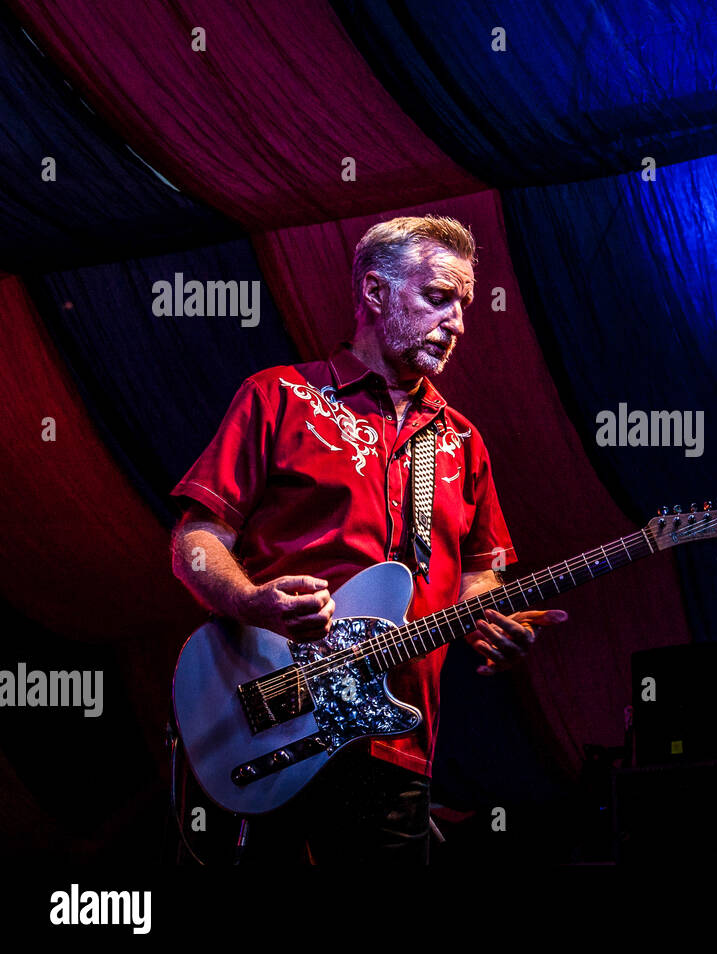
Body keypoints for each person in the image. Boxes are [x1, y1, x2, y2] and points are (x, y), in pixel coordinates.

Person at [169, 214, 567, 863]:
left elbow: (479, 572)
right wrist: (249, 601)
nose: (458, 321)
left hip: (396, 745)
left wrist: (490, 615)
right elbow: (196, 539)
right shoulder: (280, 397)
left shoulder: (463, 442)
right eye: (439, 297)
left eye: (463, 305)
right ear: (376, 294)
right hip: (277, 722)